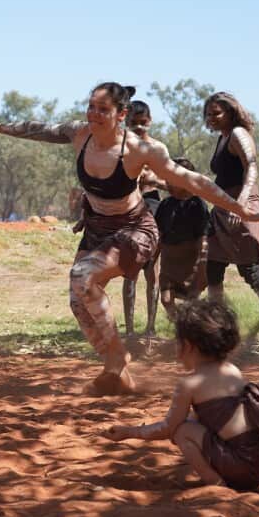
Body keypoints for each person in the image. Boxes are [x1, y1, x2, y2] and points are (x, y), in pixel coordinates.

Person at [0, 82, 259, 395]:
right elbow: (39, 129)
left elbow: (190, 180)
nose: (94, 114)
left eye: (103, 109)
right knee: (78, 301)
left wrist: (239, 206)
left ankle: (117, 359)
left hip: (135, 230)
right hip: (97, 229)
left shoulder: (139, 150)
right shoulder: (80, 134)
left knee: (82, 275)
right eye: (91, 106)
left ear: (121, 114)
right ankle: (116, 370)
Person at [103, 299, 259, 491]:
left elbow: (168, 428)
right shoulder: (232, 370)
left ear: (188, 346)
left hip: (244, 468)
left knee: (182, 431)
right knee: (192, 423)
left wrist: (129, 431)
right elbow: (212, 417)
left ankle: (216, 484)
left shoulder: (189, 384)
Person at [203, 92, 259, 338]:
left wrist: (242, 202)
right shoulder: (223, 137)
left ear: (231, 112)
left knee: (249, 267)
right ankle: (217, 325)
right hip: (223, 208)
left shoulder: (238, 134)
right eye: (208, 114)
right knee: (214, 267)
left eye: (217, 113)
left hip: (242, 205)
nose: (212, 118)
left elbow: (251, 166)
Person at [122, 100, 164, 339]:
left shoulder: (157, 148)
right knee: (131, 270)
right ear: (126, 122)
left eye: (143, 123)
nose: (138, 127)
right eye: (133, 123)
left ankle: (151, 327)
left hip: (154, 207)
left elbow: (170, 178)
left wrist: (155, 181)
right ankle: (129, 330)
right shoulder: (121, 148)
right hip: (129, 210)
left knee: (153, 270)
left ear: (149, 122)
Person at [155, 157, 212, 318]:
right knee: (166, 300)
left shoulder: (197, 205)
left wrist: (201, 268)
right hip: (168, 265)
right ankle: (180, 325)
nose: (167, 182)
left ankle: (191, 331)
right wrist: (152, 259)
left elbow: (203, 238)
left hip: (190, 265)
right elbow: (158, 235)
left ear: (185, 180)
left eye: (171, 179)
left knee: (191, 303)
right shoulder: (165, 205)